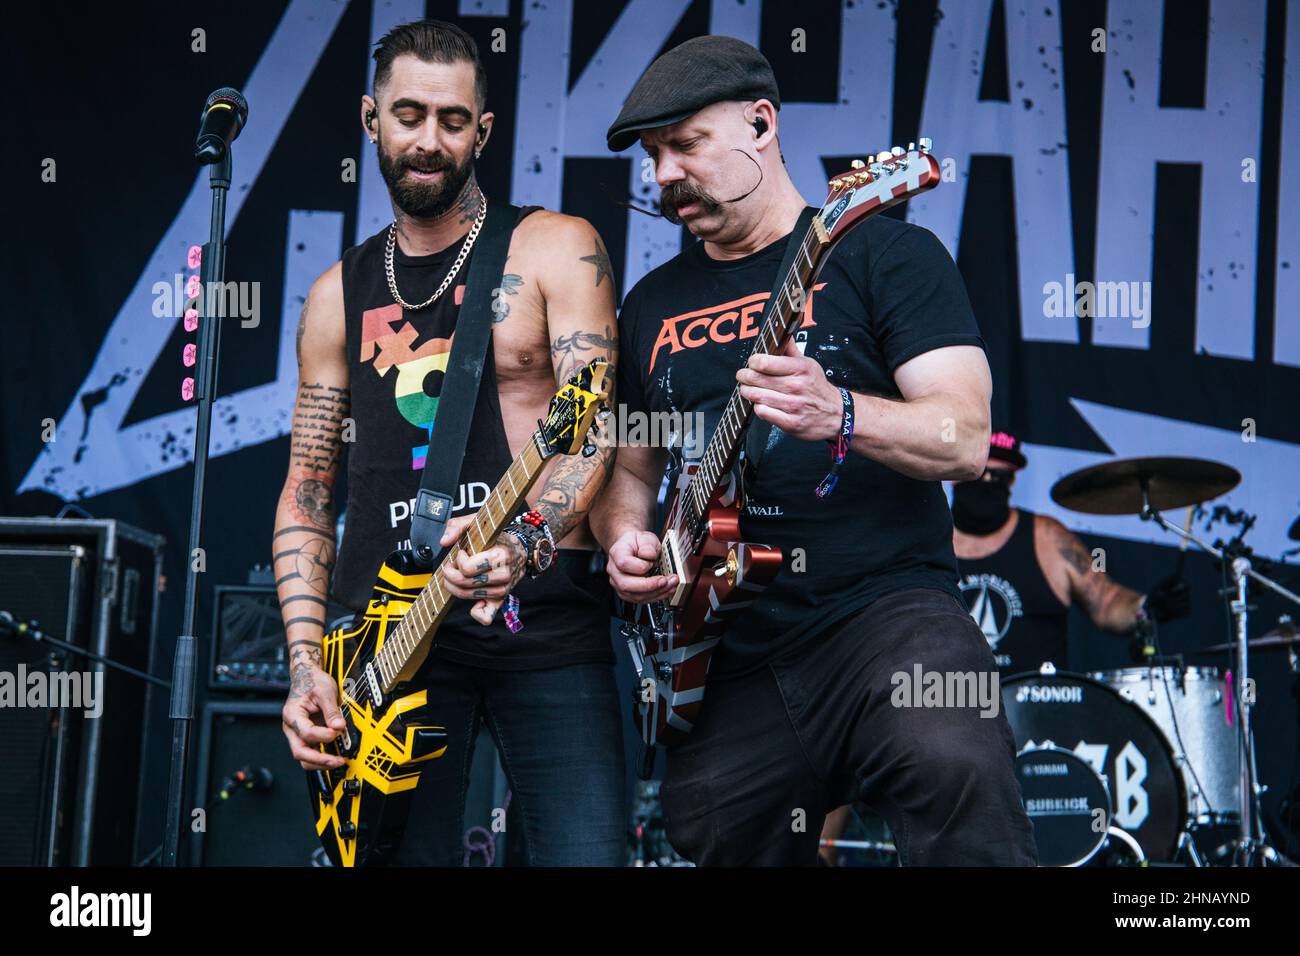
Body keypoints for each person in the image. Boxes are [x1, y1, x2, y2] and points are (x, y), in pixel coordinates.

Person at [592, 35, 1037, 865]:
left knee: (954, 762)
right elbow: (630, 464)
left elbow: (965, 437)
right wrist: (625, 538)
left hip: (884, 614)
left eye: (685, 146)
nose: (662, 177)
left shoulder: (882, 254)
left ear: (762, 124)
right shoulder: (652, 305)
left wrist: (842, 412)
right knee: (711, 831)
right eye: (654, 156)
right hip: (731, 651)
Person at [273, 19, 625, 865]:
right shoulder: (335, 294)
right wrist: (305, 666)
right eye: (409, 115)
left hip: (540, 624)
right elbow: (310, 490)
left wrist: (526, 541)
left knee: (589, 854)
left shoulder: (555, 249)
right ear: (371, 120)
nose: (429, 140)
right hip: (385, 649)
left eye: (453, 120)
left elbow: (591, 431)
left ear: (484, 130)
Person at [951, 430, 1190, 673]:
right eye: (980, 473)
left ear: (1012, 481)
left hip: (1037, 705)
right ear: (952, 474)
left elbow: (1106, 600)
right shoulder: (927, 539)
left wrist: (1146, 606)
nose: (988, 482)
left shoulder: (1050, 537)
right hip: (943, 701)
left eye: (1000, 476)